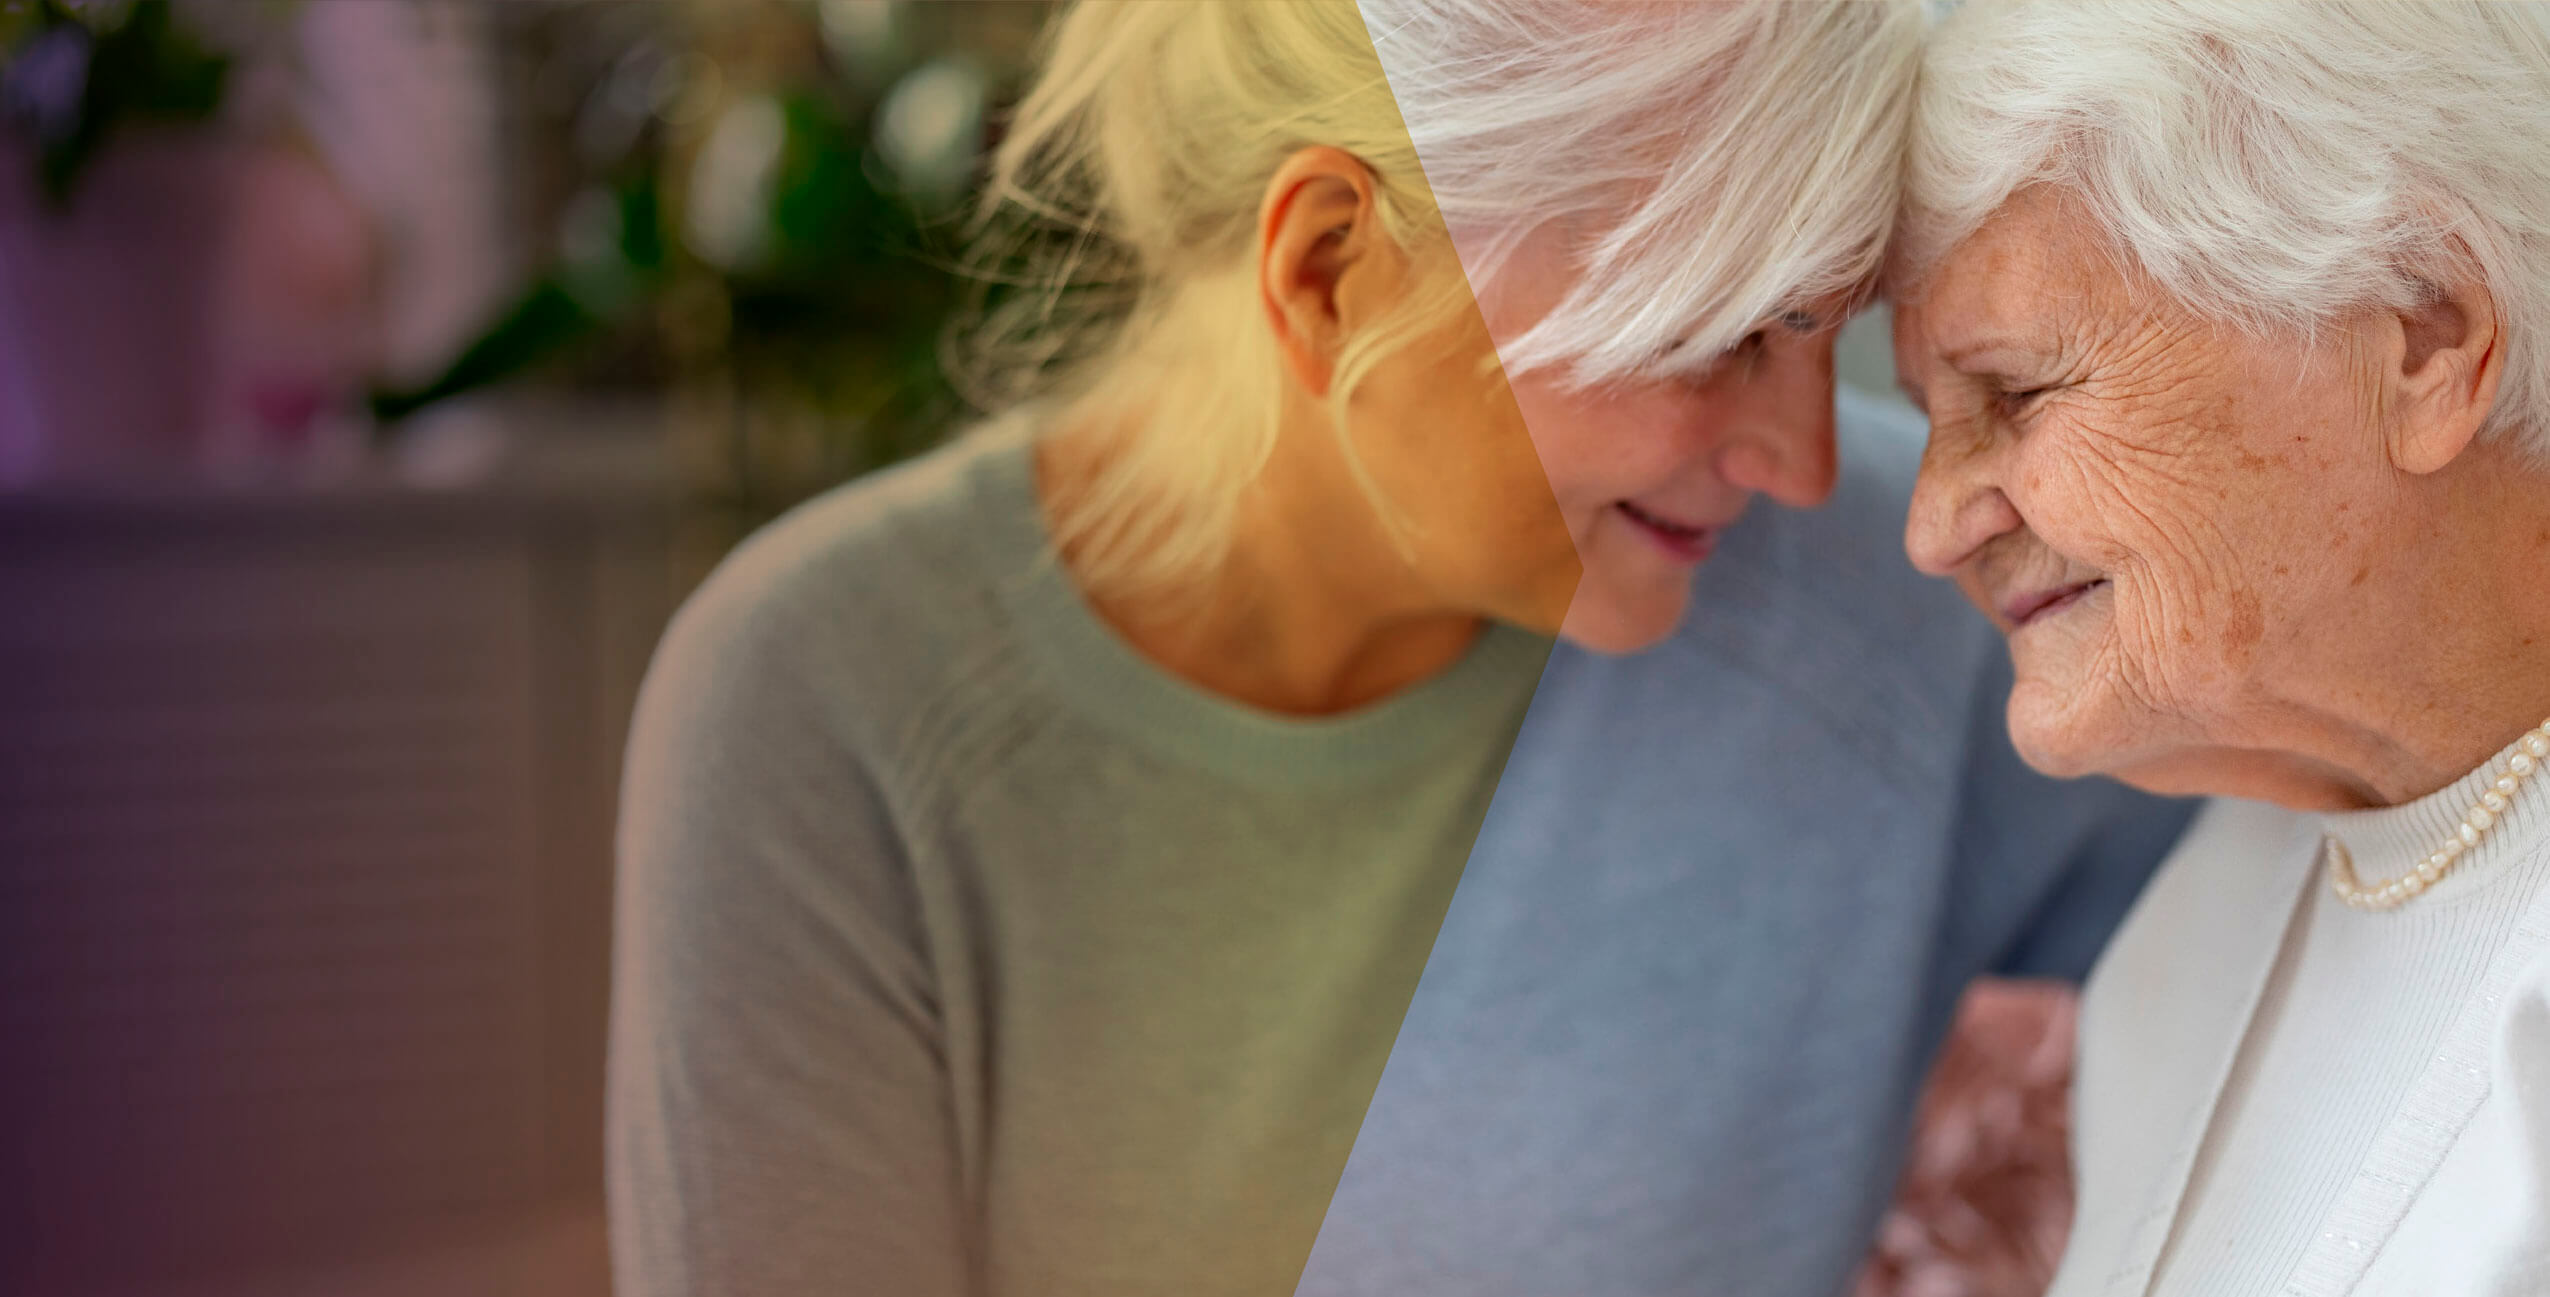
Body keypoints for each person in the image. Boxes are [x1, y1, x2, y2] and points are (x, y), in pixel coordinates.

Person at [606, 3, 2189, 1295]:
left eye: (1818, 322)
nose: (1801, 459)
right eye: (1709, 329)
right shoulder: (827, 708)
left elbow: (2389, 876)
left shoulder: (1908, 612)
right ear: (1328, 271)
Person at [1890, 1, 2550, 1292]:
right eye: (1926, 414)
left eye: (2013, 392)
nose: (1927, 523)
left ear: (2422, 335)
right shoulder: (2207, 896)